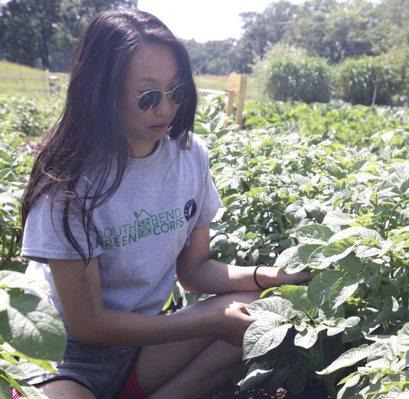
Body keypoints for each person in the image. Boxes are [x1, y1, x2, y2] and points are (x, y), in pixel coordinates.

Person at [14, 9, 310, 399]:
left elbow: (195, 270)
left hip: (144, 343)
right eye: (148, 96)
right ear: (101, 91)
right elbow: (87, 325)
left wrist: (269, 275)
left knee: (262, 311)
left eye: (178, 91)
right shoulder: (68, 177)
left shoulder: (189, 155)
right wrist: (205, 319)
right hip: (65, 357)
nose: (166, 109)